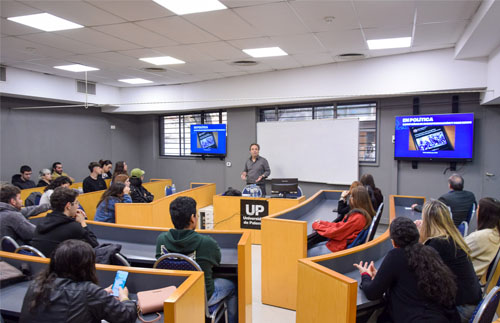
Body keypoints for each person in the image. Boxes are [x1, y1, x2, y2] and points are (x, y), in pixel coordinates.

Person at [354, 217, 460, 322]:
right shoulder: (430, 252)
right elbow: (408, 280)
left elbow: (373, 293)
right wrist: (381, 275)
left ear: (393, 242)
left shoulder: (396, 255)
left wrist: (365, 275)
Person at [155, 196, 237, 323]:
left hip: (172, 294)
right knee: (233, 286)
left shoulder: (161, 239)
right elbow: (217, 261)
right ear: (193, 218)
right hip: (201, 297)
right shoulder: (206, 243)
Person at [20, 239, 137, 323]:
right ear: (86, 266)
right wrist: (124, 298)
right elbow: (126, 317)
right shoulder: (88, 291)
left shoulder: (36, 284)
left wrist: (100, 294)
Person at [416, 200, 481, 322]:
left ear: (428, 223)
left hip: (461, 308)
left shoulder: (437, 244)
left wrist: (416, 237)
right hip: (473, 301)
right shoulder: (452, 238)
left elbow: (418, 271)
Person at [31, 187, 98, 257]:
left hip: (41, 265)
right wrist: (82, 222)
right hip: (61, 266)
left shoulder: (40, 222)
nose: (78, 206)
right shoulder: (74, 227)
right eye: (76, 203)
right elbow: (94, 244)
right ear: (68, 206)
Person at [307, 186, 375, 255]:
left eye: (351, 197)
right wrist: (322, 223)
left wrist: (316, 226)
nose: (350, 199)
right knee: (309, 246)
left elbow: (336, 232)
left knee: (305, 253)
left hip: (338, 248)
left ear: (357, 200)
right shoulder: (361, 214)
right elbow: (339, 225)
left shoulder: (358, 217)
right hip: (337, 243)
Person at [412, 174, 476, 226]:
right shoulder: (471, 195)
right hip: (463, 228)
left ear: (450, 186)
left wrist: (416, 207)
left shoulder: (446, 198)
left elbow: (431, 210)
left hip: (447, 230)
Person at [465, 197, 500, 278]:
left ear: (483, 213)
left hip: (466, 280)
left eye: (478, 208)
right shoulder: (495, 234)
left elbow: (455, 252)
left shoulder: (481, 236)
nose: (476, 211)